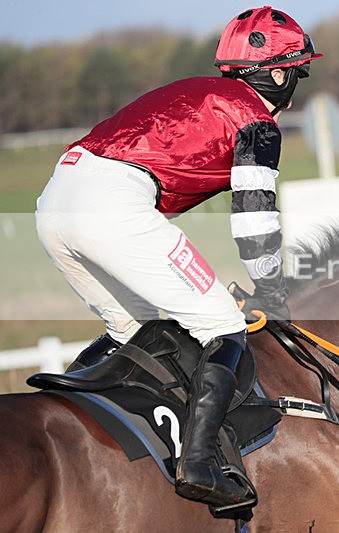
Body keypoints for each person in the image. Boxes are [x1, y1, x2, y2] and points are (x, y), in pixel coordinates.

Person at [34, 6, 321, 508]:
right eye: (296, 72)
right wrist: (272, 287)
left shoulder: (199, 89)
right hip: (112, 204)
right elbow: (254, 215)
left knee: (134, 330)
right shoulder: (256, 121)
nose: (294, 85)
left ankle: (54, 419)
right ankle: (200, 462)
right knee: (223, 326)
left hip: (56, 197)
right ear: (278, 73)